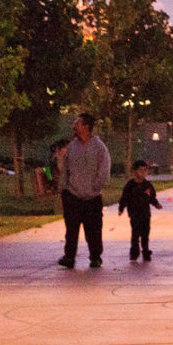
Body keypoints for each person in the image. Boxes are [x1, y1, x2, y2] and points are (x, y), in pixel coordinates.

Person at [56, 114, 110, 269]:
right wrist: (64, 188)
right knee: (71, 230)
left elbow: (104, 169)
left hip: (91, 198)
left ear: (86, 126)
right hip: (72, 195)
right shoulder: (72, 147)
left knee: (93, 230)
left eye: (77, 124)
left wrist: (96, 186)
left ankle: (95, 257)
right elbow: (65, 169)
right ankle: (69, 256)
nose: (74, 127)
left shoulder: (99, 147)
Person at [116, 159, 162, 261]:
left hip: (145, 213)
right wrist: (121, 208)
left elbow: (151, 197)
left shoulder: (147, 185)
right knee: (135, 233)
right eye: (141, 170)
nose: (143, 173)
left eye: (145, 171)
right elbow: (124, 198)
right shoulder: (130, 185)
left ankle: (146, 251)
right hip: (134, 213)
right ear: (135, 171)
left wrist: (156, 204)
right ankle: (134, 252)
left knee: (145, 233)